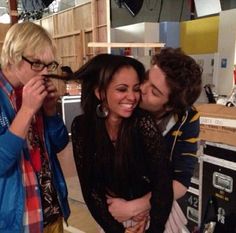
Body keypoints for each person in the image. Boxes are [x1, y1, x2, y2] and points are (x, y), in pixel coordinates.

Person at [71, 53, 173, 233]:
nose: (132, 97)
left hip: (156, 217)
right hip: (113, 220)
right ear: (100, 92)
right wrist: (116, 231)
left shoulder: (143, 123)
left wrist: (153, 229)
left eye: (135, 89)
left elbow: (162, 186)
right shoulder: (82, 127)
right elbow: (91, 190)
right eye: (122, 89)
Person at [106, 47, 203, 232]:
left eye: (155, 92)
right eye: (146, 78)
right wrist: (125, 208)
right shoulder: (126, 103)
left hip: (160, 205)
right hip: (117, 201)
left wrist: (138, 207)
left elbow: (181, 181)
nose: (141, 89)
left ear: (171, 106)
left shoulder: (187, 118)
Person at [0, 22, 70, 233]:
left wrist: (50, 111)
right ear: (14, 56)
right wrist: (27, 110)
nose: (45, 73)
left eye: (50, 65)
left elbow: (59, 144)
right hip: (15, 220)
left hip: (50, 211)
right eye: (38, 64)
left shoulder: (31, 90)